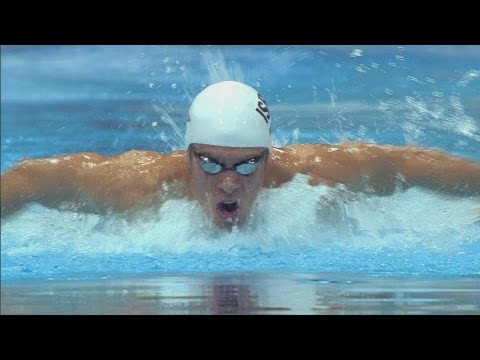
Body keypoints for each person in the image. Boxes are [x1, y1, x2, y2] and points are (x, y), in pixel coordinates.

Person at [1, 81, 479, 230]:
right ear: (186, 156)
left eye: (247, 163)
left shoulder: (309, 175)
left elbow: (401, 163)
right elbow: (33, 178)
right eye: (210, 162)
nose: (228, 181)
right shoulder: (137, 183)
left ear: (269, 158)